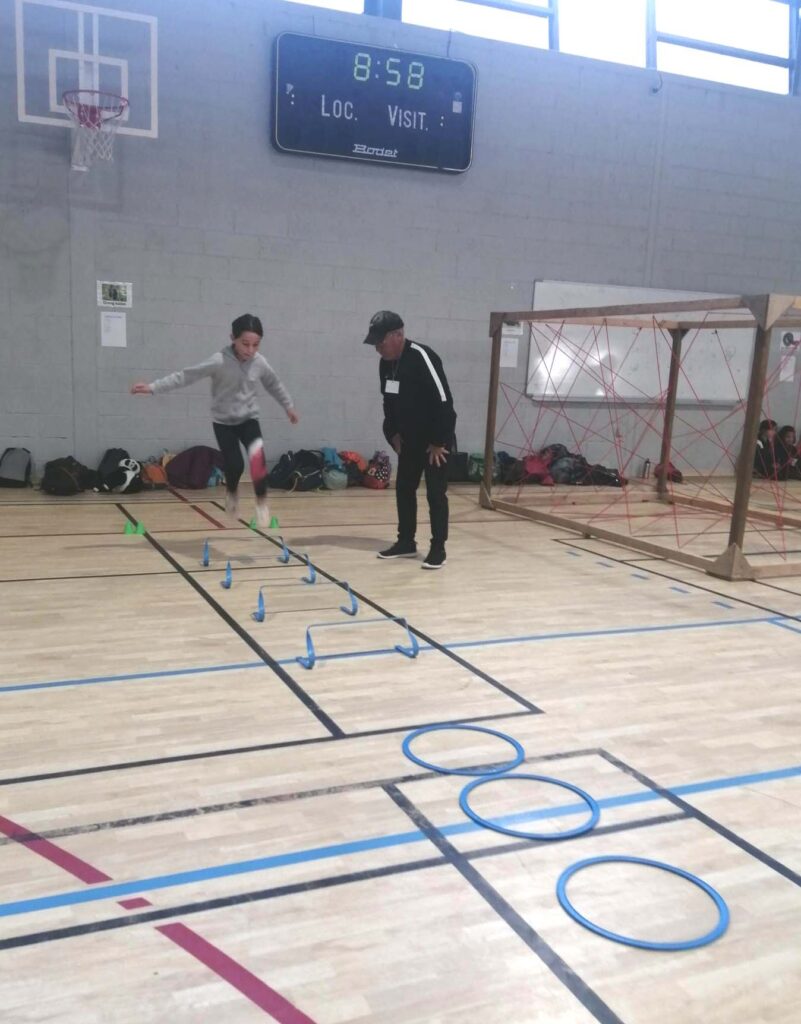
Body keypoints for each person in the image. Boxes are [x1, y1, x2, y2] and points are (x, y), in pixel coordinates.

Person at [130, 313, 299, 526]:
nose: (250, 350)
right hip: (224, 423)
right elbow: (186, 376)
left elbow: (274, 384)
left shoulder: (260, 363)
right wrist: (152, 387)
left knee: (258, 461)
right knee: (235, 465)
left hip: (249, 419)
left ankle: (262, 503)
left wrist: (288, 406)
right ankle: (231, 492)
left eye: (256, 345)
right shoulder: (218, 361)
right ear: (233, 338)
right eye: (245, 343)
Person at [364, 310, 456, 570]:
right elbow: (388, 401)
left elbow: (445, 402)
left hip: (435, 442)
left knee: (436, 494)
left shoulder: (423, 357)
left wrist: (439, 442)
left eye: (380, 342)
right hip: (409, 440)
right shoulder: (385, 364)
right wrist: (392, 433)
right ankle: (406, 541)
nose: (377, 348)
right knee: (404, 489)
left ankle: (438, 548)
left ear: (398, 335)